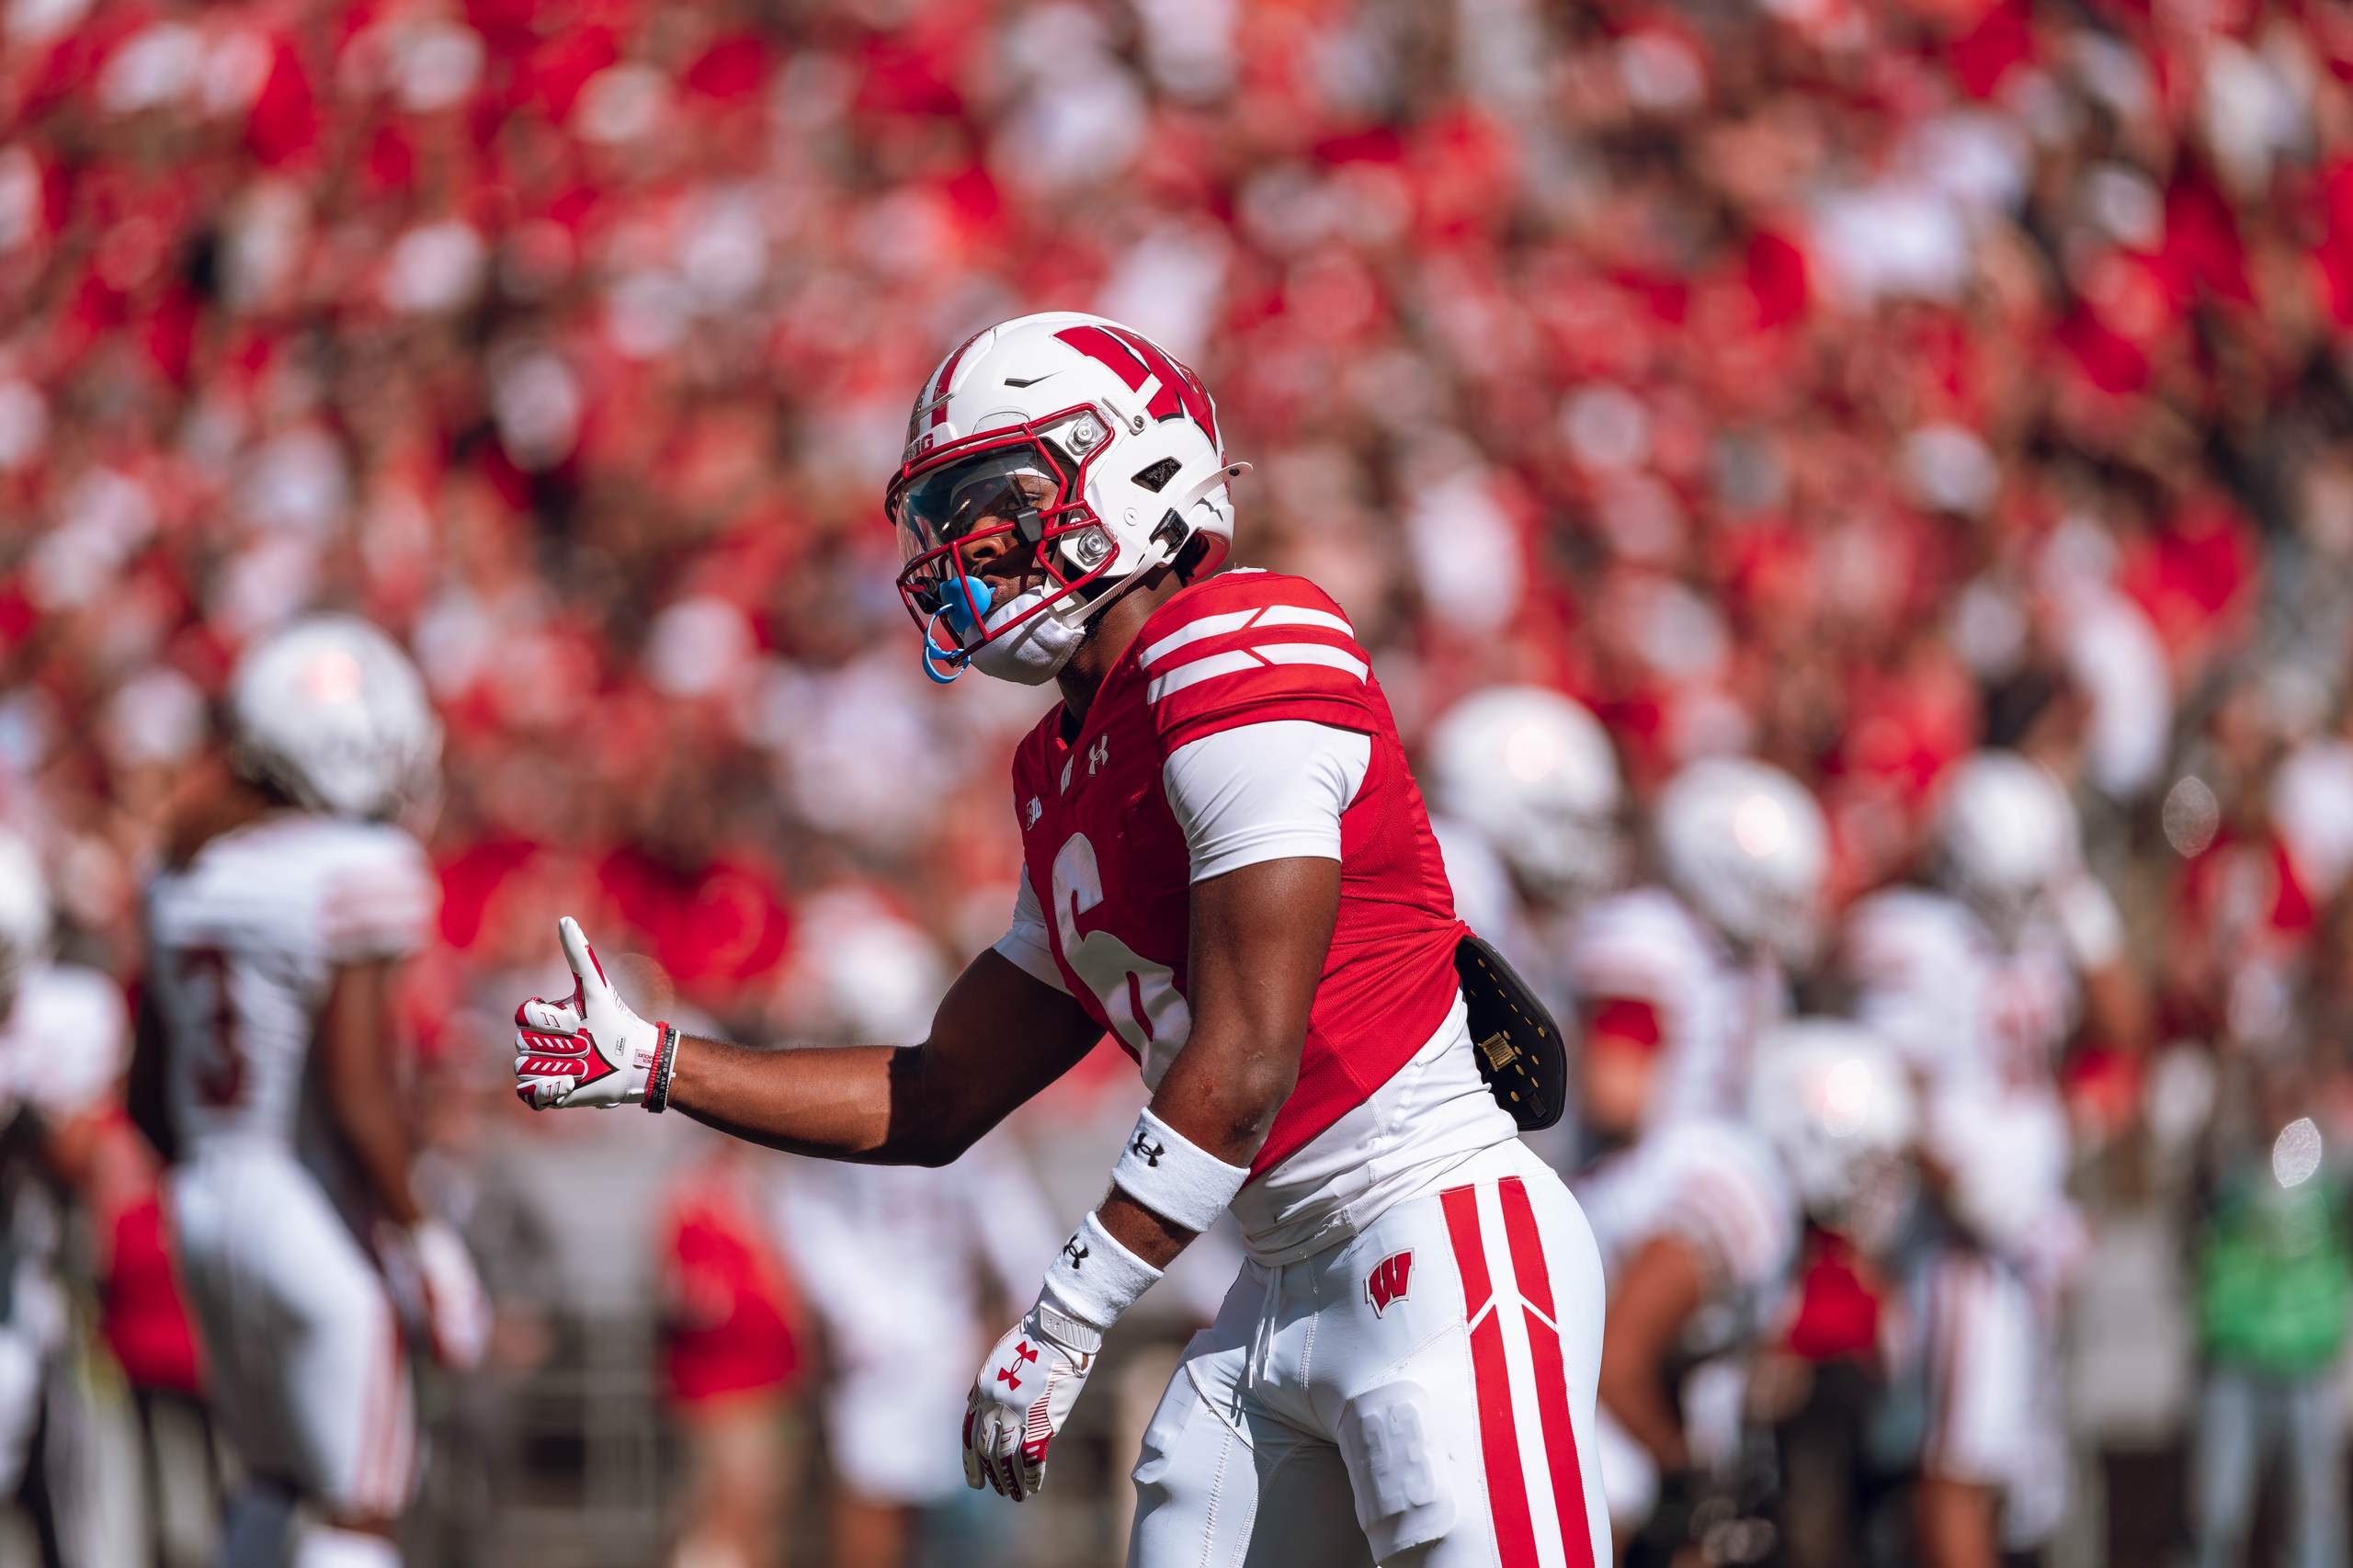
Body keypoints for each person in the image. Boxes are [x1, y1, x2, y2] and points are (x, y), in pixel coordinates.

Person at [515, 310, 1612, 1567]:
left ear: (1133, 469)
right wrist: (662, 1062)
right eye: (939, 518)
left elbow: (1248, 1063)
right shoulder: (1059, 764)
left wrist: (1065, 1314)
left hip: (1427, 1221)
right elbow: (939, 1095)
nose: (957, 549)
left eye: (993, 496)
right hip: (1277, 1273)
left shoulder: (1240, 643)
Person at [135, 616, 488, 1568]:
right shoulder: (354, 869)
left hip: (203, 1197)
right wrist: (423, 1237)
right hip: (305, 1203)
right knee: (361, 1503)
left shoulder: (178, 869)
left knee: (269, 1480)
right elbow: (357, 1090)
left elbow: (148, 1091)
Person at [1838, 751, 2134, 1567]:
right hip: (1962, 1242)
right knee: (1957, 1459)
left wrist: (2085, 908)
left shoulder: (2043, 924)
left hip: (2026, 1232)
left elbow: (2123, 1025)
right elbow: (1889, 1099)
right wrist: (1989, 1202)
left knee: (2014, 1467)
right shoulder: (1919, 940)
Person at [1565, 756, 1829, 1151]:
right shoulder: (1650, 936)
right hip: (1611, 1181)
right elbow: (1613, 1103)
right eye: (1771, 893)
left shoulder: (1749, 963)